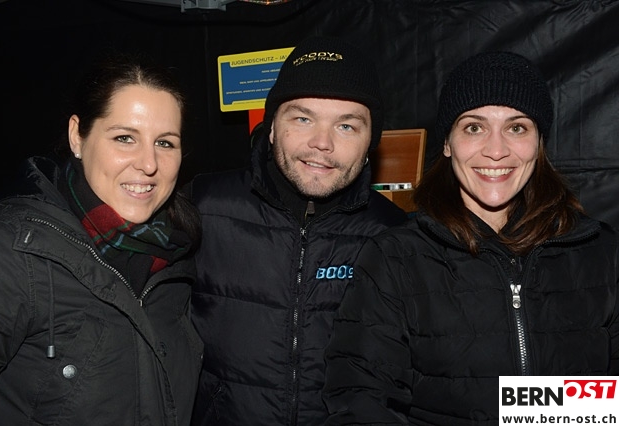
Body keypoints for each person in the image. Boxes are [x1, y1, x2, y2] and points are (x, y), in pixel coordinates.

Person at [322, 51, 619, 425]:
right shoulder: (396, 259)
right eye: (474, 127)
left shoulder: (599, 253)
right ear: (447, 143)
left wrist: (543, 410)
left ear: (539, 143)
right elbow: (360, 400)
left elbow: (606, 404)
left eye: (517, 128)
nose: (496, 151)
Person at [182, 35, 408, 426]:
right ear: (271, 127)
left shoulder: (397, 238)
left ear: (370, 142)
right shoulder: (201, 208)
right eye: (302, 119)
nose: (322, 143)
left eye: (347, 126)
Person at [0, 52, 204, 425]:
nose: (149, 164)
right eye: (124, 138)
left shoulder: (175, 260)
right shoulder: (5, 254)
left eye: (165, 143)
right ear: (77, 136)